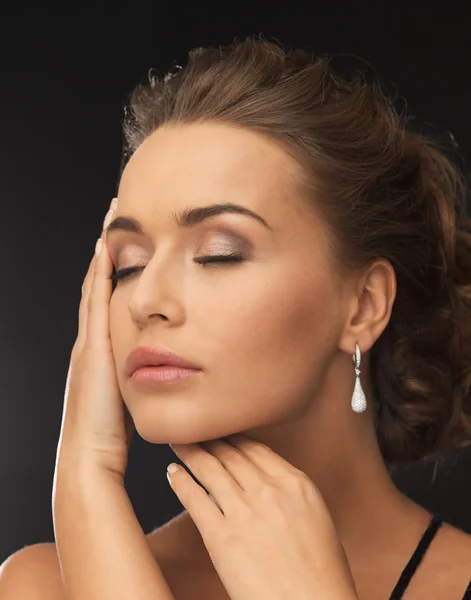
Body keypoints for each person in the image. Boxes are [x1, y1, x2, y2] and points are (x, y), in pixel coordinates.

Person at [1, 36, 471, 599]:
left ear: (364, 305)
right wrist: (84, 480)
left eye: (218, 253)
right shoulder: (40, 588)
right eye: (128, 263)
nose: (145, 298)